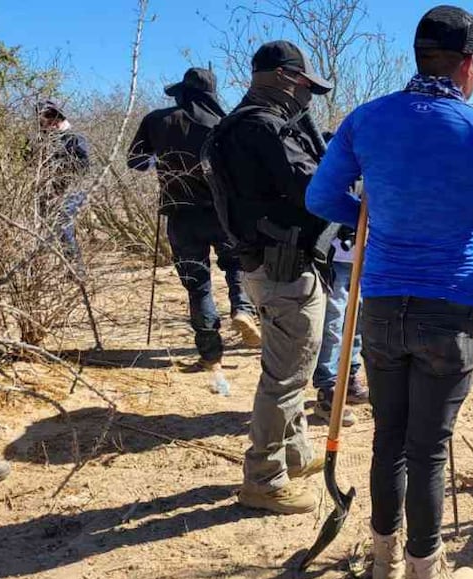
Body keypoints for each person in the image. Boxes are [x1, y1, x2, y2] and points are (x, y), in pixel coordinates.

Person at [306, 5, 473, 579]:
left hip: (377, 307)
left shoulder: (365, 120)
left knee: (389, 438)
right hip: (447, 307)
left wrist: (375, 222)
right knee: (428, 450)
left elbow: (321, 197)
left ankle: (383, 570)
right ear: (465, 66)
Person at [205, 41, 336, 515]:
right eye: (306, 86)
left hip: (261, 265)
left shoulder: (232, 126)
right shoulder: (264, 128)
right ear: (285, 77)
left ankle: (295, 454)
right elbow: (313, 190)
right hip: (286, 269)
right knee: (285, 377)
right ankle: (263, 476)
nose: (308, 97)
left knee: (288, 369)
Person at [128, 67, 261, 371]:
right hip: (223, 212)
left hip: (180, 213)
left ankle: (210, 354)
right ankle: (242, 309)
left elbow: (135, 161)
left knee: (197, 284)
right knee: (237, 266)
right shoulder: (224, 125)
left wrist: (161, 159)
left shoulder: (157, 120)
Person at [311, 131, 367, 426]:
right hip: (336, 258)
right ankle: (328, 386)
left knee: (356, 320)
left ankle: (350, 375)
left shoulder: (375, 166)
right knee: (333, 322)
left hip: (364, 257)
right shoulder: (333, 166)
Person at [35, 100, 90, 260]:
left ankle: (75, 270)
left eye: (53, 117)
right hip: (45, 191)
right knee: (46, 229)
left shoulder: (73, 138)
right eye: (45, 118)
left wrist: (59, 170)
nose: (50, 122)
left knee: (62, 224)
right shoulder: (38, 140)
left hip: (70, 190)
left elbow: (83, 166)